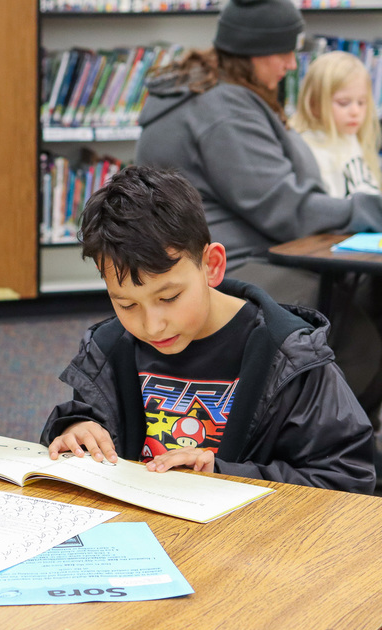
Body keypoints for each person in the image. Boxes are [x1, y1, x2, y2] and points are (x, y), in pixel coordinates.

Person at [41, 166, 375, 494]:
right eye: (127, 305)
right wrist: (75, 429)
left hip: (248, 541)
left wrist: (223, 475)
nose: (152, 325)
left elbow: (345, 480)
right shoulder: (109, 349)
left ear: (211, 266)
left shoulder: (292, 359)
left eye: (169, 297)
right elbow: (90, 422)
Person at [134, 0, 382, 427]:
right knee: (361, 334)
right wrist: (368, 209)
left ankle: (341, 434)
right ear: (250, 51)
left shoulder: (214, 95)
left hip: (224, 259)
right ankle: (326, 438)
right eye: (282, 52)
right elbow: (285, 208)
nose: (290, 63)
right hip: (230, 268)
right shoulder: (222, 109)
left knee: (367, 297)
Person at [291, 51, 382, 198]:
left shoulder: (349, 136)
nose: (355, 111)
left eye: (362, 102)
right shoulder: (310, 149)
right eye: (343, 103)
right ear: (314, 104)